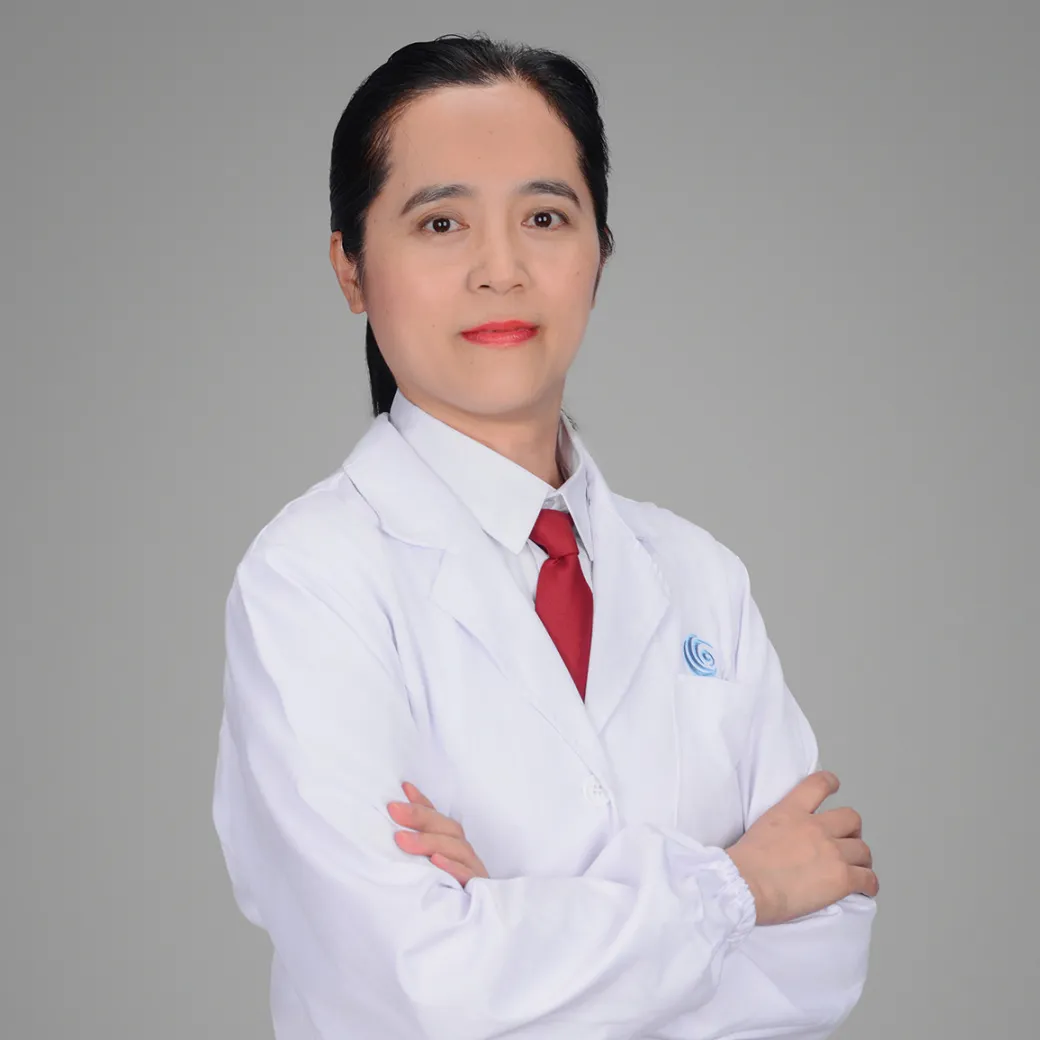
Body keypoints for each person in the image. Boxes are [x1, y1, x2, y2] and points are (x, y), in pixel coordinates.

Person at [211, 32, 878, 1040]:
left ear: (599, 252)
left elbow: (820, 956)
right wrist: (737, 888)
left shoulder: (700, 576)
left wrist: (508, 918)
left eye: (545, 217)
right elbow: (413, 987)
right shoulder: (311, 580)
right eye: (441, 222)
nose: (501, 269)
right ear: (351, 266)